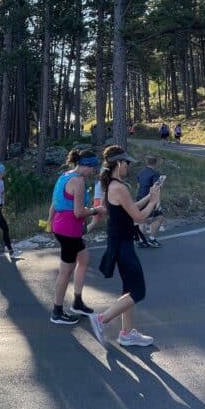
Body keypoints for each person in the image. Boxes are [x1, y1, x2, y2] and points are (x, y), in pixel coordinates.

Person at [87, 146, 162, 349]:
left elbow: (131, 207)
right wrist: (154, 202)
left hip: (120, 242)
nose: (128, 166)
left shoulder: (112, 186)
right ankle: (101, 319)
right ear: (119, 163)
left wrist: (149, 196)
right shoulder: (119, 187)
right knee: (138, 291)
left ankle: (127, 334)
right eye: (127, 163)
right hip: (122, 244)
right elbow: (139, 217)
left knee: (129, 290)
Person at [48, 149, 102, 325]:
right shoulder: (78, 181)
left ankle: (77, 302)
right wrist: (96, 210)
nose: (93, 171)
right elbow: (78, 212)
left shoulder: (65, 175)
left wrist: (50, 222)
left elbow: (54, 203)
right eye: (92, 168)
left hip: (62, 226)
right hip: (69, 230)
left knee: (84, 259)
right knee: (65, 272)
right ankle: (57, 312)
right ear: (86, 165)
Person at [137, 156, 164, 246]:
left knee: (142, 219)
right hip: (150, 198)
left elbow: (138, 186)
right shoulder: (155, 174)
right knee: (159, 217)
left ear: (147, 162)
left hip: (140, 197)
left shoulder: (140, 172)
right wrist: (157, 202)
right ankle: (152, 239)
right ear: (156, 163)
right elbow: (156, 188)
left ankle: (142, 240)